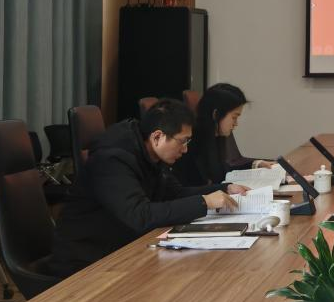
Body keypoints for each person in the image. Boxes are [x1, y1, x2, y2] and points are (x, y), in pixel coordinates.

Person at [48, 99, 238, 277]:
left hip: (122, 248)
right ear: (157, 136)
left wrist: (224, 189)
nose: (185, 149)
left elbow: (175, 193)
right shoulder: (113, 159)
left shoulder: (149, 151)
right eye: (182, 141)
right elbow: (140, 215)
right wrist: (204, 202)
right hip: (86, 260)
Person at [173, 82, 276, 189]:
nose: (236, 123)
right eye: (234, 117)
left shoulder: (214, 136)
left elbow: (223, 170)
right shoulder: (192, 143)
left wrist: (256, 164)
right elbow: (196, 186)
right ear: (216, 114)